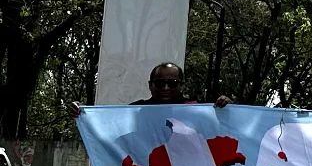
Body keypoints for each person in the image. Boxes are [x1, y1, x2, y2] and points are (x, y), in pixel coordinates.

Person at [69, 61, 229, 115]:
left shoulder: (196, 110)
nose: (166, 88)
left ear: (181, 85)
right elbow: (106, 127)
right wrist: (82, 113)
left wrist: (228, 108)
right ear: (150, 85)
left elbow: (223, 128)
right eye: (160, 83)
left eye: (172, 83)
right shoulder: (136, 111)